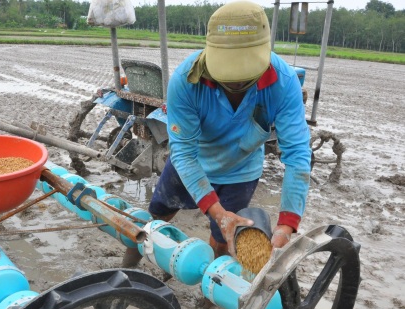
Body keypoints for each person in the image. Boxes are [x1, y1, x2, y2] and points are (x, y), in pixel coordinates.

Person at [122, 0, 311, 267]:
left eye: (244, 77)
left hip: (240, 171)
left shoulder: (283, 82)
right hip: (191, 162)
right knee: (151, 221)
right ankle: (126, 270)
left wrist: (287, 224)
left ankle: (211, 292)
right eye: (228, 76)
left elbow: (298, 155)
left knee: (223, 240)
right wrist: (216, 210)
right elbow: (184, 154)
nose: (235, 83)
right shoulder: (186, 81)